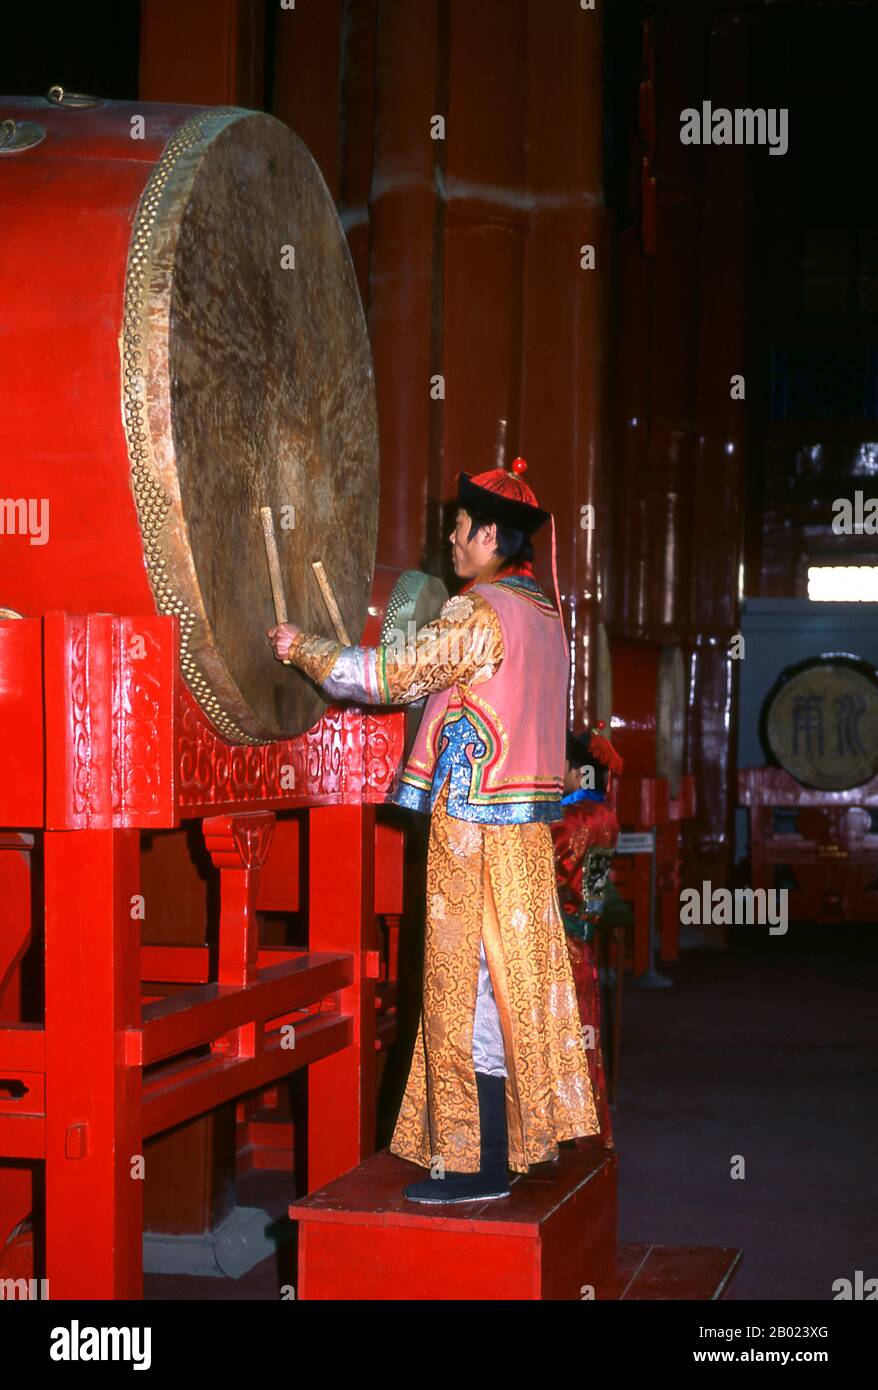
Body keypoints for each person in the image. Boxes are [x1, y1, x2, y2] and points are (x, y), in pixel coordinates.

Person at [268, 458, 599, 1203]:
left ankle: (477, 1165)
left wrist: (304, 648)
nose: (450, 540)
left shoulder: (479, 611)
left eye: (458, 528)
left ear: (488, 534)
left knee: (471, 989)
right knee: (514, 982)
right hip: (522, 832)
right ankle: (512, 1144)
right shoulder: (545, 615)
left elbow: (390, 677)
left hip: (474, 832)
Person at [552, 726, 624, 1148]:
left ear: (580, 774)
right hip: (581, 939)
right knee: (582, 1032)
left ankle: (558, 1131)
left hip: (557, 939)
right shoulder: (606, 814)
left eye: (559, 765)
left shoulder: (574, 818)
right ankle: (581, 1129)